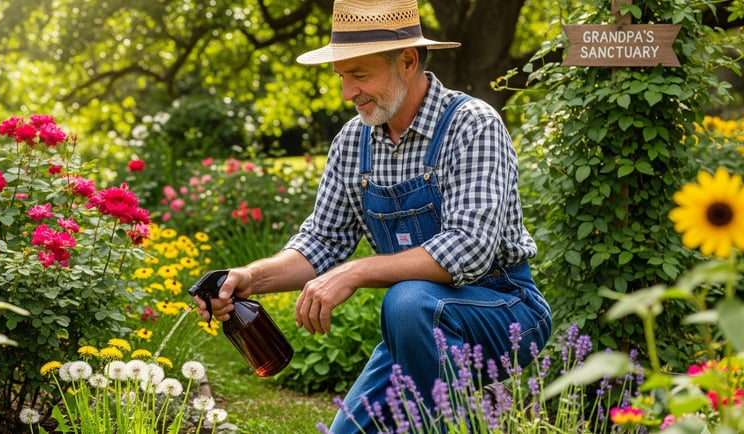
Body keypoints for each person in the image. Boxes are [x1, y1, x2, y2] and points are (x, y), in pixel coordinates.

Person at [194, 0, 552, 431]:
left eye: (360, 75)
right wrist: (249, 277)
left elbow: (469, 249)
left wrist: (356, 272)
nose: (348, 93)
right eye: (342, 77)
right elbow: (321, 241)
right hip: (415, 325)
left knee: (407, 301)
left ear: (407, 60)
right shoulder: (352, 142)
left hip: (504, 308)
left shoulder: (472, 125)